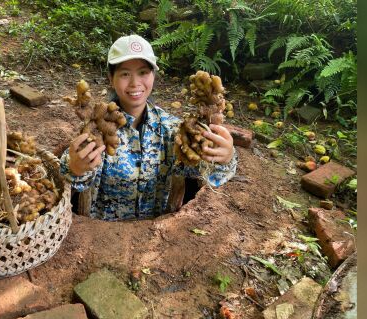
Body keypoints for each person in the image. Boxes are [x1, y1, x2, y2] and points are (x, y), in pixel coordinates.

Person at [60, 34, 237, 221]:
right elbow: (70, 178)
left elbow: (208, 176)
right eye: (125, 74)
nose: (135, 83)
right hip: (104, 237)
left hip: (155, 236)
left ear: (153, 75)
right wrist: (75, 168)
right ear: (111, 78)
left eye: (143, 72)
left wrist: (225, 158)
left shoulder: (173, 130)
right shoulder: (98, 127)